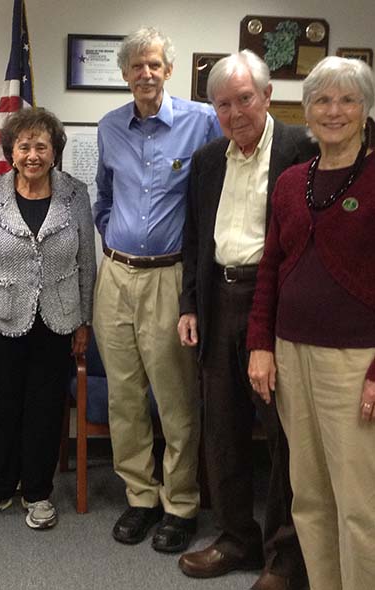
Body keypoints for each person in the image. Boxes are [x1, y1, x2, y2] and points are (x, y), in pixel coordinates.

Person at [177, 50, 314, 590]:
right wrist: (189, 304)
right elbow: (194, 240)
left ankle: (285, 553)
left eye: (244, 100)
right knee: (223, 430)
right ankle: (235, 537)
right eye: (222, 105)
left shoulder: (302, 150)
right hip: (218, 300)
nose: (234, 113)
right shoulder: (209, 159)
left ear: (268, 96)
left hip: (277, 304)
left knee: (283, 435)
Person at [247, 56, 375, 590]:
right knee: (310, 496)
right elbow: (271, 270)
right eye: (322, 100)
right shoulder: (292, 182)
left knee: (358, 505)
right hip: (290, 352)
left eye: (347, 99)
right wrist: (260, 343)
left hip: (354, 360)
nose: (334, 110)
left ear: (366, 110)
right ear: (307, 111)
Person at [93, 26, 221, 552]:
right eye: (136, 67)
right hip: (116, 277)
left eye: (154, 65)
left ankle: (181, 504)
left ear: (168, 70)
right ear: (124, 76)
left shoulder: (203, 122)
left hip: (171, 277)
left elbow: (216, 195)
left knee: (175, 399)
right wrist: (114, 237)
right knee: (124, 398)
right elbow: (103, 196)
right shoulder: (109, 127)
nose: (145, 74)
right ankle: (140, 497)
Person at [0, 107, 96, 530]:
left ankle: (37, 493)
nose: (33, 154)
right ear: (11, 151)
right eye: (25, 145)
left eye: (42, 145)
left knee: (45, 407)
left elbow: (87, 263)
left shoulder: (75, 194)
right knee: (2, 405)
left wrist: (83, 321)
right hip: (1, 319)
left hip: (58, 319)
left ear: (55, 151)